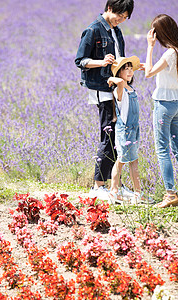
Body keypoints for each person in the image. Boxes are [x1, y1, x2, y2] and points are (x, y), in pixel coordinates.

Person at [75, 0, 135, 200]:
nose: (122, 20)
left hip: (117, 87)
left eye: (125, 18)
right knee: (108, 135)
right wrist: (102, 62)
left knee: (119, 137)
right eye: (120, 15)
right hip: (103, 88)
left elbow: (121, 57)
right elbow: (80, 61)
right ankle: (98, 185)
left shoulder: (116, 31)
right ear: (110, 8)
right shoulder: (92, 30)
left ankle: (115, 184)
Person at [144, 14, 178, 208]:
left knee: (162, 149)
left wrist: (149, 47)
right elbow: (159, 71)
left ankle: (170, 194)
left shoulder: (168, 53)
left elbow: (149, 73)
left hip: (164, 104)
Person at [107, 56, 150, 204]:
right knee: (121, 160)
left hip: (134, 128)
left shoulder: (131, 89)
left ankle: (138, 193)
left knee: (134, 161)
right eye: (126, 69)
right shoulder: (119, 90)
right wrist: (112, 78)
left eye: (131, 69)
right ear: (119, 72)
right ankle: (113, 191)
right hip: (124, 129)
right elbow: (119, 82)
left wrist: (134, 69)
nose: (130, 71)